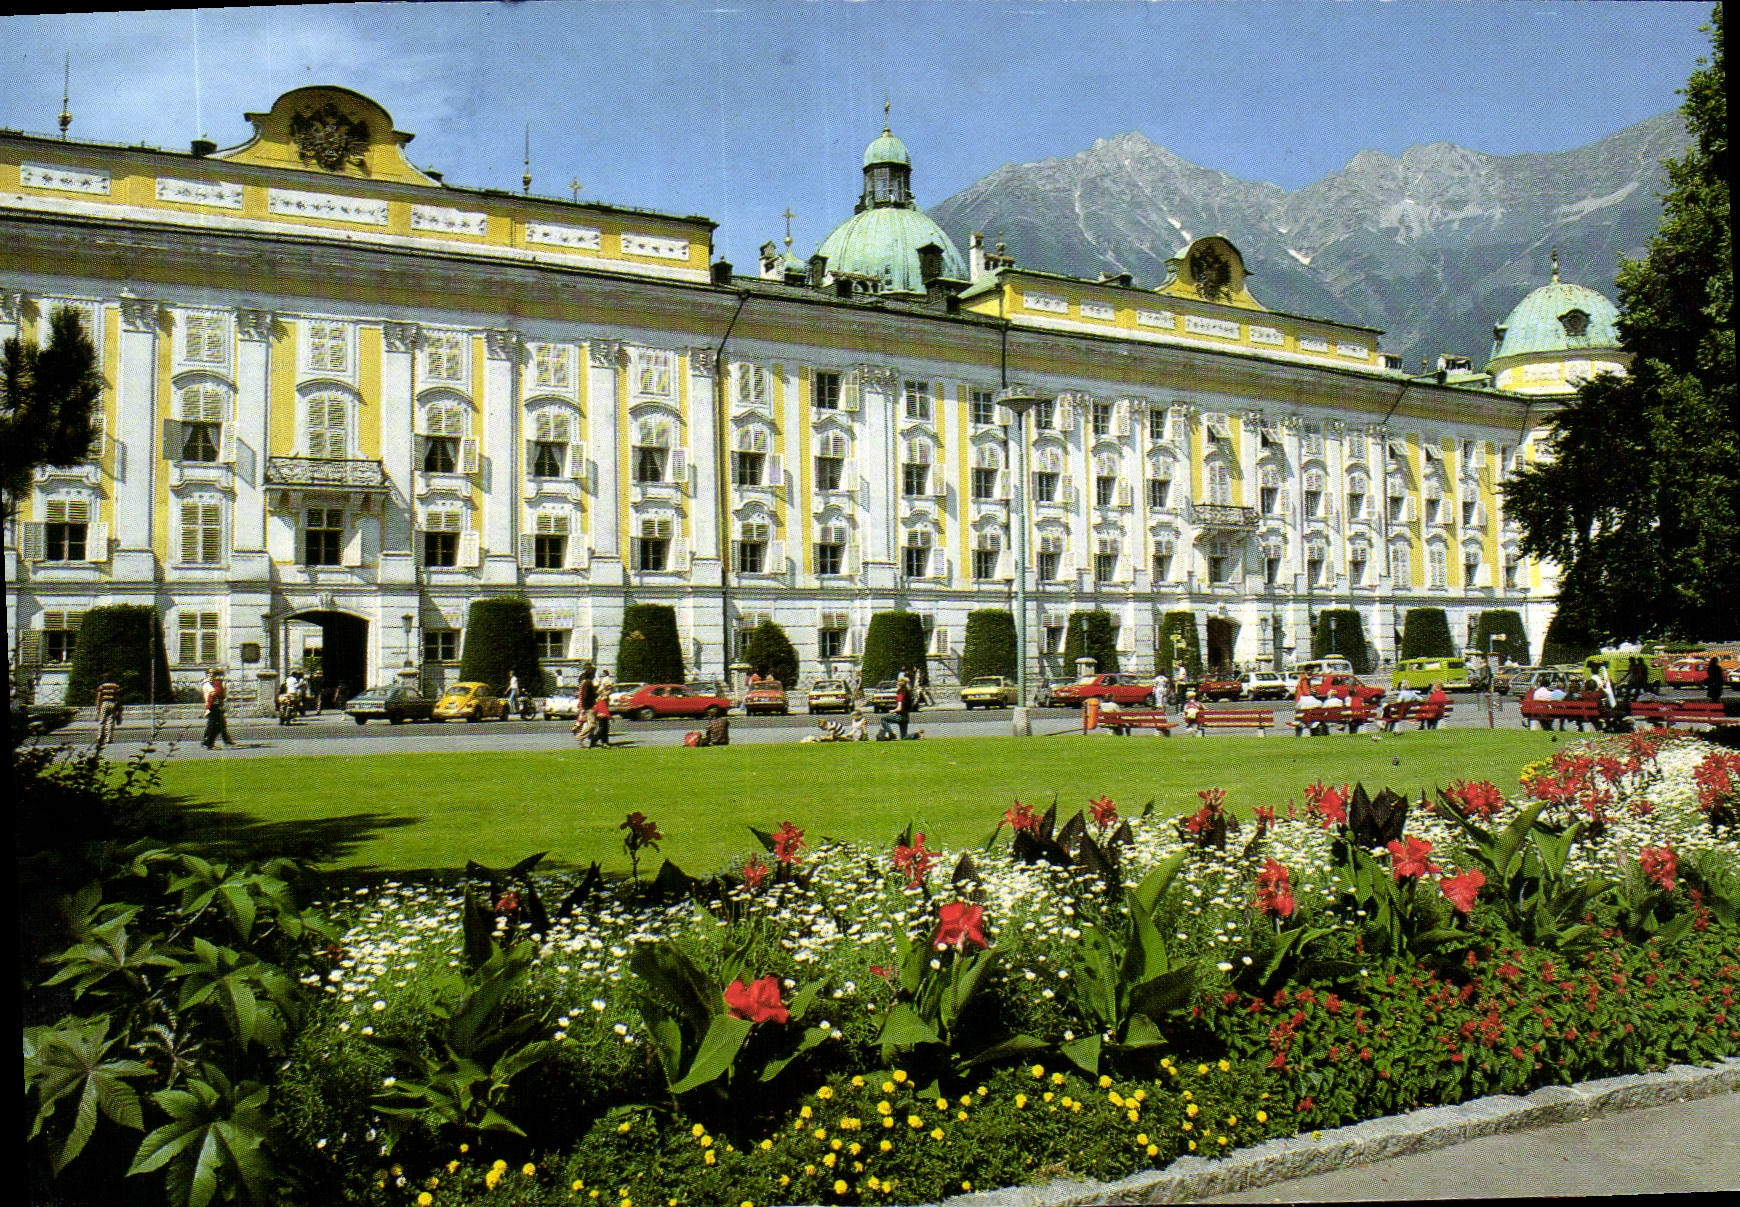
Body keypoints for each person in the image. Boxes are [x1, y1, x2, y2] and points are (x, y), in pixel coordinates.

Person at [200, 669, 236, 749]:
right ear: (207, 675)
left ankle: (210, 742)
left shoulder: (214, 683)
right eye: (210, 674)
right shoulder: (206, 685)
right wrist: (208, 708)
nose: (212, 676)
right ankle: (208, 743)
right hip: (211, 707)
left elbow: (220, 695)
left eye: (213, 674)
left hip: (216, 706)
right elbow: (212, 695)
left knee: (219, 724)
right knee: (214, 726)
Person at [94, 674, 122, 746]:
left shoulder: (102, 686)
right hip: (112, 703)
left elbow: (98, 697)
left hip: (104, 703)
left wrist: (98, 707)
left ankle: (100, 737)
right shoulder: (115, 686)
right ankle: (108, 738)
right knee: (110, 721)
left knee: (102, 721)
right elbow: (118, 697)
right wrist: (118, 708)